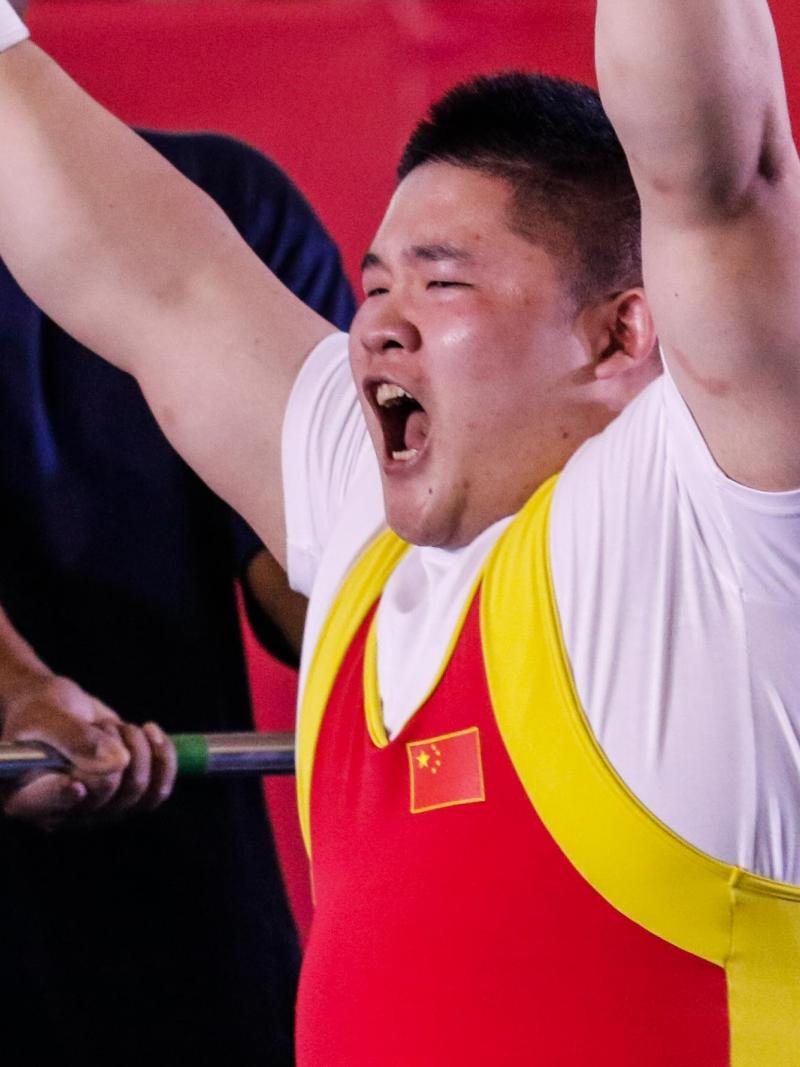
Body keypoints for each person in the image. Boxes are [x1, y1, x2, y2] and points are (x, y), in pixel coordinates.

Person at [0, 1, 798, 1063]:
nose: (375, 318)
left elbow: (717, 176)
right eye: (375, 281)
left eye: (442, 279)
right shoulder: (363, 522)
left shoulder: (715, 527)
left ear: (621, 331)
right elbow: (154, 277)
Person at [0, 124, 354, 1063]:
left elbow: (322, 560)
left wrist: (445, 623)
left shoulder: (223, 204)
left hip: (189, 927)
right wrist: (15, 686)